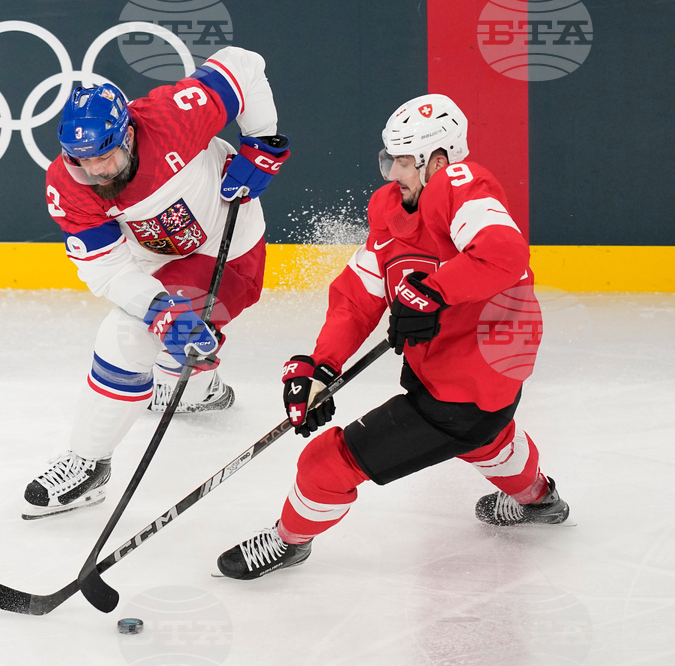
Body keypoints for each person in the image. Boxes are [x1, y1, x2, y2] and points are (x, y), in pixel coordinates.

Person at [215, 94, 570, 579]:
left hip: (475, 378)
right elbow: (360, 293)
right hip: (451, 372)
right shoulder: (389, 207)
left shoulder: (463, 187)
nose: (393, 173)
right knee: (486, 441)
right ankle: (539, 499)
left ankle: (288, 541)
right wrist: (322, 364)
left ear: (438, 161)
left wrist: (433, 292)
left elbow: (504, 254)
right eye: (391, 159)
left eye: (405, 161)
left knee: (327, 463)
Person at [23, 47, 290, 519]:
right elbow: (108, 268)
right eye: (81, 161)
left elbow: (244, 64)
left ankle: (88, 462)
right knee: (157, 328)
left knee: (125, 335)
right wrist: (159, 309)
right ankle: (199, 388)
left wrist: (261, 141)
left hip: (226, 248)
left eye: (105, 157)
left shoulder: (173, 117)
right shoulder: (68, 184)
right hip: (156, 262)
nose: (95, 172)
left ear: (128, 135)